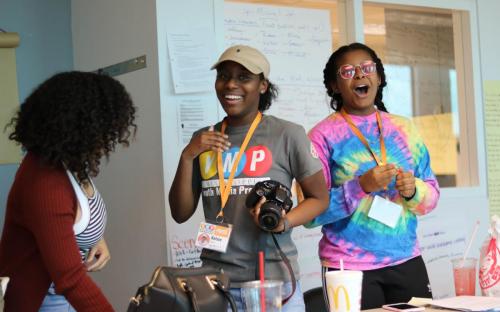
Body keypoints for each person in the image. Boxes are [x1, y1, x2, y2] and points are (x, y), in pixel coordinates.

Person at [169, 45, 329, 311]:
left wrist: (285, 222)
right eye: (223, 76)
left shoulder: (287, 134)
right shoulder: (203, 139)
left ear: (262, 86)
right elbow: (180, 212)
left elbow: (319, 198)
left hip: (272, 282)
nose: (230, 84)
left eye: (244, 77)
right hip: (215, 284)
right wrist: (187, 156)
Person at [307, 42, 440, 309]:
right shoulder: (321, 136)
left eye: (367, 68)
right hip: (347, 266)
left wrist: (412, 190)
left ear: (378, 77)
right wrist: (360, 187)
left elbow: (432, 195)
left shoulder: (405, 127)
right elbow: (311, 213)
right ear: (334, 85)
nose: (359, 75)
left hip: (406, 259)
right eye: (347, 71)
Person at [0, 71, 137, 311]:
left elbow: (70, 219)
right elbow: (70, 279)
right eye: (105, 129)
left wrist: (96, 238)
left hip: (61, 295)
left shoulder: (68, 163)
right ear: (82, 127)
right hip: (42, 301)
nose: (109, 140)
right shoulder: (45, 182)